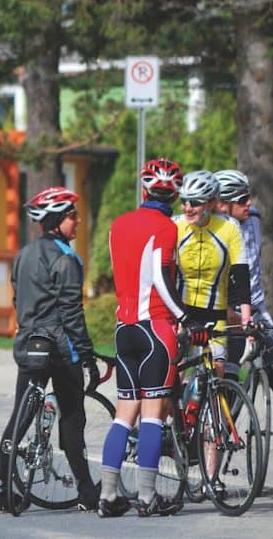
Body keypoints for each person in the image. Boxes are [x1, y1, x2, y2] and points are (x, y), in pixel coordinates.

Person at [0, 186, 99, 513]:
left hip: (28, 345)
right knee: (72, 418)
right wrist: (88, 355)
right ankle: (85, 491)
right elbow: (71, 313)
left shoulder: (22, 255)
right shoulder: (67, 258)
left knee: (19, 419)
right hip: (60, 348)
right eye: (72, 216)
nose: (77, 221)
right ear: (56, 220)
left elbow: (16, 299)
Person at [97, 157, 191, 518]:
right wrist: (185, 315)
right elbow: (160, 277)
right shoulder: (167, 227)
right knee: (151, 416)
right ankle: (148, 497)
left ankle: (108, 495)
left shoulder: (117, 225)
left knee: (124, 415)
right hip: (155, 328)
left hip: (124, 331)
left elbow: (126, 275)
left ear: (144, 190)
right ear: (175, 194)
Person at [214, 169, 273, 493]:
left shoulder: (252, 219)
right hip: (226, 318)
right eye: (241, 199)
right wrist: (233, 317)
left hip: (258, 315)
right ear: (221, 204)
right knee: (227, 394)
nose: (249, 203)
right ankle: (213, 471)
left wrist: (253, 316)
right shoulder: (212, 230)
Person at [175, 170, 252, 377]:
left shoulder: (229, 228)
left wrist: (246, 316)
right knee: (176, 371)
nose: (188, 208)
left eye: (195, 202)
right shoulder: (175, 226)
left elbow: (241, 272)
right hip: (181, 312)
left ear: (210, 203)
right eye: (184, 201)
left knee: (217, 370)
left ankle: (208, 408)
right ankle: (177, 407)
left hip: (214, 314)